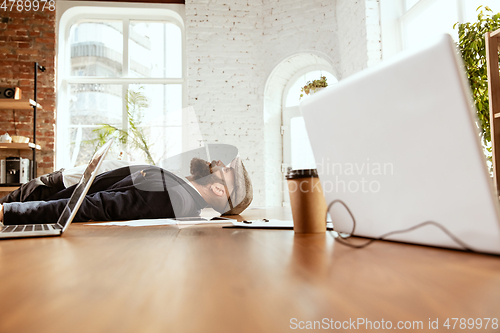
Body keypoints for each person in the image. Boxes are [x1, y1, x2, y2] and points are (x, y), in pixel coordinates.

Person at [0, 156, 252, 225]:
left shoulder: (176, 197)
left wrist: (7, 212)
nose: (220, 163)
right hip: (54, 189)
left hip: (44, 198)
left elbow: (93, 206)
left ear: (219, 189)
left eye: (226, 170)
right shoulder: (181, 189)